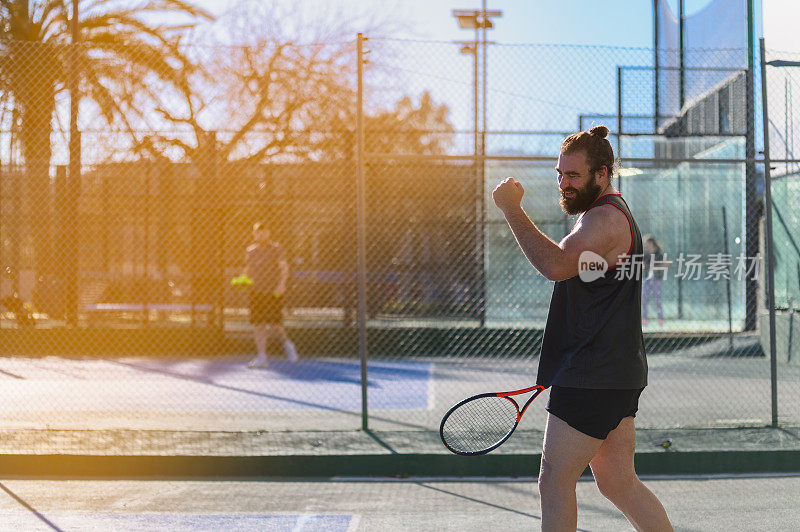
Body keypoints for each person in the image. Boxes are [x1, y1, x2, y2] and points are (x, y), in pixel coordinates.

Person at [492, 125, 672, 531]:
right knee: (618, 482)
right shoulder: (604, 215)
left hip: (593, 376)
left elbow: (556, 265)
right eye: (560, 174)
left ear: (602, 174)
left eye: (573, 176)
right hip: (614, 373)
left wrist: (511, 209)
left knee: (554, 480)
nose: (564, 183)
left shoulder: (605, 219)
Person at [244, 222, 298, 368]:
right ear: (255, 235)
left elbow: (284, 268)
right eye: (259, 232)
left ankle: (288, 345)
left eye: (265, 232)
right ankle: (262, 357)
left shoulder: (277, 249)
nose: (262, 234)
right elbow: (249, 270)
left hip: (273, 292)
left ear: (269, 233)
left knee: (275, 324)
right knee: (258, 324)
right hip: (256, 292)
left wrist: (282, 284)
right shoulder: (251, 250)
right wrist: (244, 280)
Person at [642, 234, 666, 326]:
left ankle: (660, 318)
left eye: (646, 243)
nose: (645, 245)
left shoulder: (659, 254)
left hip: (656, 280)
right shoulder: (645, 254)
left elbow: (665, 264)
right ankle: (644, 318)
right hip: (647, 279)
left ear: (651, 243)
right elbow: (643, 265)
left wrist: (657, 268)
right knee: (644, 299)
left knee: (657, 299)